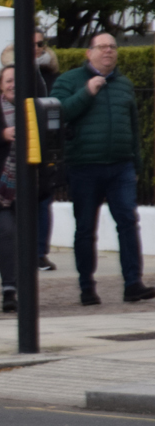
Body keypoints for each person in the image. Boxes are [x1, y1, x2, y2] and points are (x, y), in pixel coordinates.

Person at [52, 32, 155, 305]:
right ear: (89, 53)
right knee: (86, 229)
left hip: (120, 167)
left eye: (112, 47)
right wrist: (87, 92)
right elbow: (58, 112)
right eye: (102, 47)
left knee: (128, 223)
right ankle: (87, 287)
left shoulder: (124, 85)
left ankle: (133, 283)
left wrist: (136, 164)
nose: (108, 51)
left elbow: (133, 128)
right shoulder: (69, 81)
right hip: (84, 166)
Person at [0, 66, 58, 312]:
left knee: (24, 239)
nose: (12, 85)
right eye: (8, 81)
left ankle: (23, 288)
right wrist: (2, 135)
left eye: (17, 80)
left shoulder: (34, 111)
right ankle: (9, 289)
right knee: (8, 232)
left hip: (28, 188)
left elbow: (49, 145)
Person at [1, 29, 61, 271]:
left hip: (42, 147)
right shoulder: (8, 75)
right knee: (15, 203)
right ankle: (19, 251)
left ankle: (39, 253)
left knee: (43, 200)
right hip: (15, 151)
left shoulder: (49, 74)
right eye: (30, 43)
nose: (36, 47)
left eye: (40, 43)